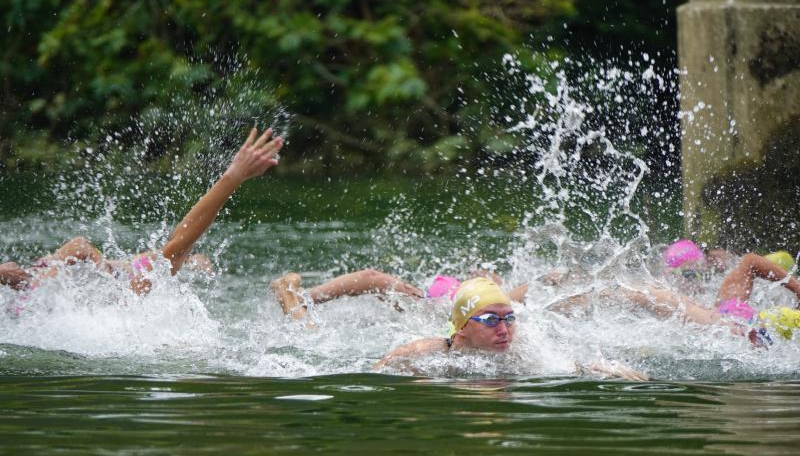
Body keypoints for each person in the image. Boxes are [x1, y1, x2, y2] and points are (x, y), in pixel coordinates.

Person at [2, 127, 282, 295]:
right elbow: (178, 245)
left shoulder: (47, 288)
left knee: (165, 259)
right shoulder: (127, 294)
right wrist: (232, 177)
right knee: (165, 258)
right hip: (112, 287)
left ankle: (188, 262)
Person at [373, 277, 648, 380]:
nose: (504, 330)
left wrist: (606, 370)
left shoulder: (524, 344)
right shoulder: (428, 350)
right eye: (491, 320)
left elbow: (565, 366)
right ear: (463, 328)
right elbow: (382, 369)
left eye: (509, 319)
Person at [549, 252, 800, 345]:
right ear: (670, 273)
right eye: (689, 274)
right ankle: (561, 303)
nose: (696, 280)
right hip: (731, 322)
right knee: (637, 291)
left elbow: (750, 260)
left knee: (638, 292)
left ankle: (559, 305)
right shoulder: (667, 293)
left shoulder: (723, 307)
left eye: (700, 273)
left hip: (729, 322)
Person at [270, 269, 529, 324]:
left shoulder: (507, 310)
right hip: (447, 300)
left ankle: (300, 299)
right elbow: (371, 278)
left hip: (468, 294)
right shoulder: (440, 315)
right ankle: (297, 298)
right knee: (375, 280)